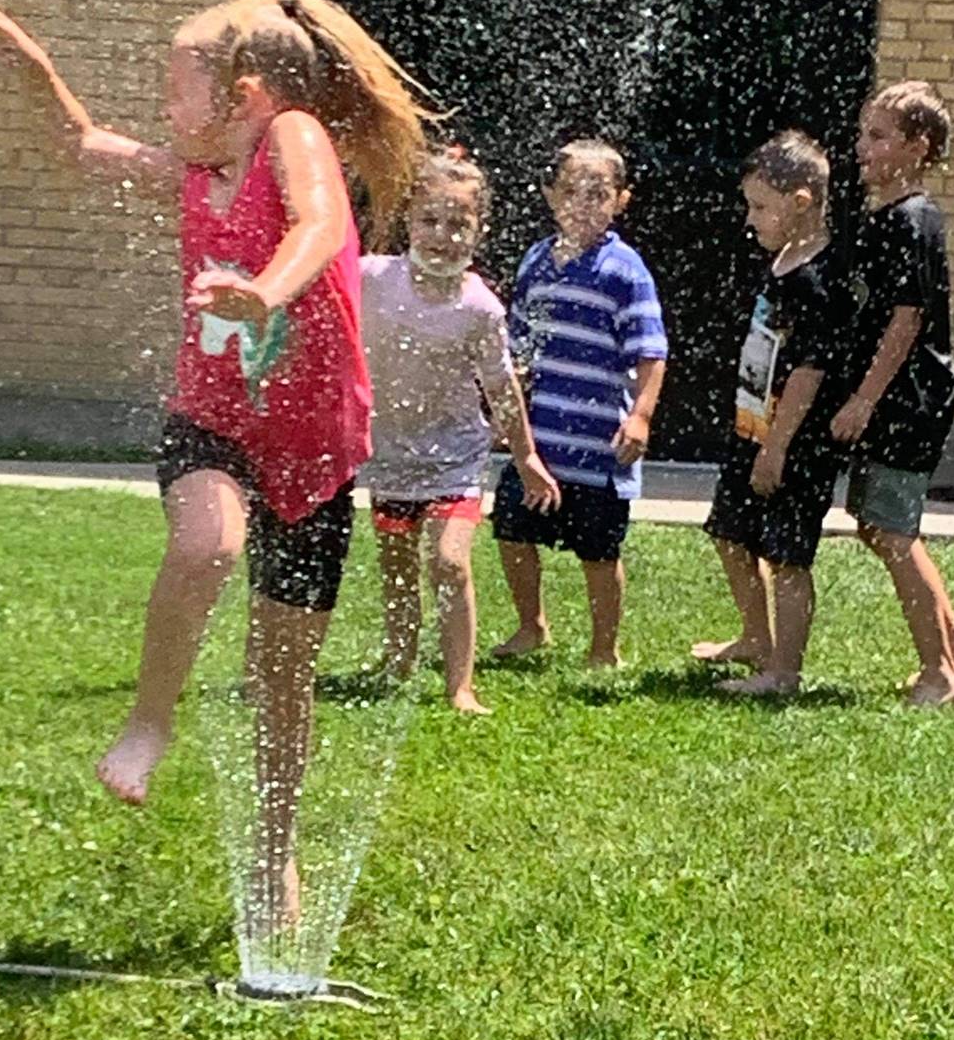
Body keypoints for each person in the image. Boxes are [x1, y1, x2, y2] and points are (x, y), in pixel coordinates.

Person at [0, 0, 430, 938]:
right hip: (213, 415)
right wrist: (34, 68)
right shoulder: (191, 170)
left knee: (284, 674)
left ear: (248, 96)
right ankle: (149, 721)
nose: (164, 111)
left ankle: (277, 844)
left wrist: (264, 292)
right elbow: (80, 145)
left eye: (177, 90)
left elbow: (322, 227)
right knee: (208, 543)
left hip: (316, 444)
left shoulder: (291, 135)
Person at [361, 148, 559, 714]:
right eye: (430, 221)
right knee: (397, 561)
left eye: (458, 225)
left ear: (479, 230)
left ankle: (460, 685)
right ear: (409, 220)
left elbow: (501, 388)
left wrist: (526, 457)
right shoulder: (374, 279)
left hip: (455, 454)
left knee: (449, 561)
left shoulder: (480, 308)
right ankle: (398, 658)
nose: (442, 236)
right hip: (390, 451)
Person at [831, 80, 954, 706]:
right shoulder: (885, 216)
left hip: (908, 396)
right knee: (878, 524)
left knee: (892, 530)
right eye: (863, 134)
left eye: (879, 137)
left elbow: (907, 318)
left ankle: (939, 673)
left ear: (919, 148)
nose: (863, 148)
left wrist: (864, 398)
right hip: (897, 394)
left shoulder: (913, 220)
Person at [491, 139, 667, 668]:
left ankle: (603, 648)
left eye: (598, 194)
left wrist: (639, 416)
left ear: (621, 200)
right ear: (549, 194)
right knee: (512, 532)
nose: (583, 204)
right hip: (541, 441)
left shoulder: (625, 271)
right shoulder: (536, 261)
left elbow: (652, 353)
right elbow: (518, 346)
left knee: (598, 552)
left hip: (598, 446)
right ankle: (531, 625)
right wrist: (509, 414)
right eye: (570, 192)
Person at [692, 131, 846, 697]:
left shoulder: (817, 278)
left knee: (786, 554)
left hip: (793, 440)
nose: (750, 218)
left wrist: (776, 447)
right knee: (729, 532)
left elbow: (809, 370)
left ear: (800, 202)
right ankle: (756, 638)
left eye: (760, 206)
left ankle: (784, 671)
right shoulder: (783, 260)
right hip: (752, 425)